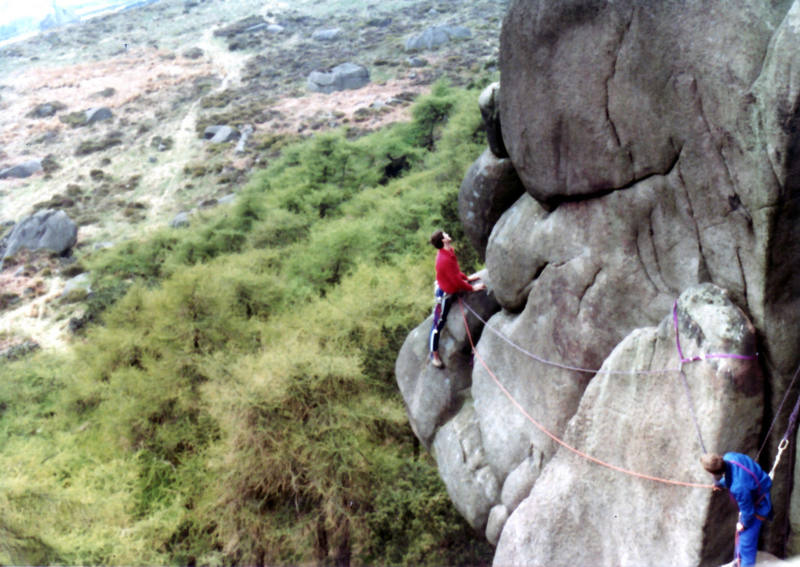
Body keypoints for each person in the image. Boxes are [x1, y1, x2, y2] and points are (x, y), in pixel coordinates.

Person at [701, 452, 773, 567]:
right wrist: (721, 484)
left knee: (746, 542)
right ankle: (738, 562)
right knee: (741, 539)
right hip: (759, 485)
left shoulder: (738, 488)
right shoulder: (730, 457)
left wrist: (744, 524)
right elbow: (734, 473)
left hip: (759, 504)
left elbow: (748, 512)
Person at [428, 229, 485, 368]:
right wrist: (472, 288)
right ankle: (434, 354)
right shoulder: (443, 259)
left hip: (450, 287)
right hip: (445, 294)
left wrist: (467, 278)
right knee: (438, 324)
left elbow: (455, 272)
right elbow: (455, 281)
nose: (448, 235)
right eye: (445, 235)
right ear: (443, 240)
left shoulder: (449, 252)